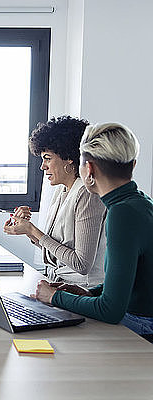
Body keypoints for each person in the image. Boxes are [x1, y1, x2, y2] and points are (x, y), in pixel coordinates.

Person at [33, 122, 153, 337]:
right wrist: (88, 293)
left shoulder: (122, 214)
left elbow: (111, 311)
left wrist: (53, 297)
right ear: (132, 165)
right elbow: (133, 283)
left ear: (89, 169)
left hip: (142, 323)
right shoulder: (140, 203)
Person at [4, 116, 107, 286]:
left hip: (84, 291)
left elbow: (81, 264)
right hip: (60, 283)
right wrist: (26, 229)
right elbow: (57, 249)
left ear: (69, 157)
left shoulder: (87, 193)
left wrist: (33, 230)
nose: (42, 166)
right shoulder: (62, 188)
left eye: (47, 158)